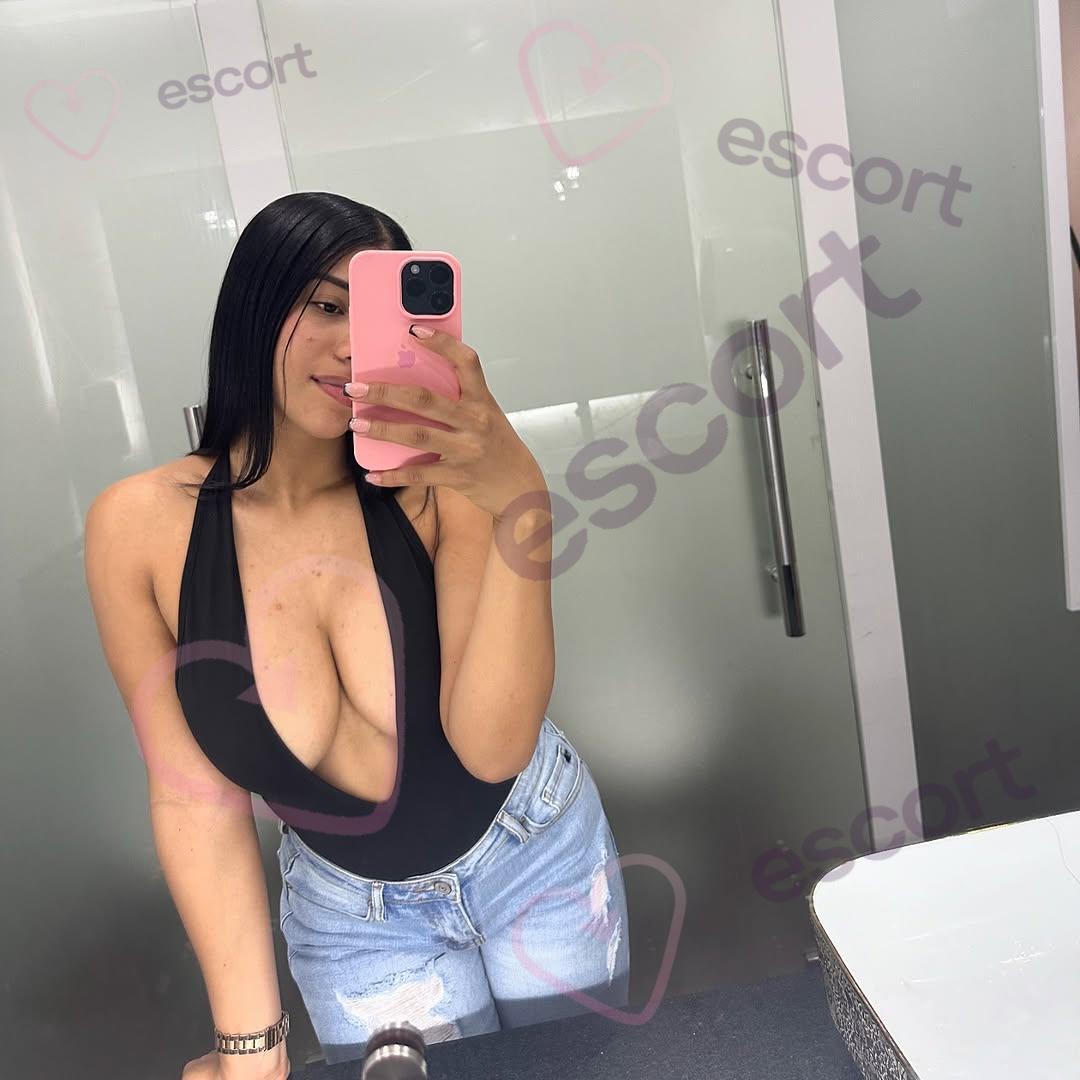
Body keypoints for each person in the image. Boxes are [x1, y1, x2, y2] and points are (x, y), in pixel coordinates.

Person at [84, 191, 630, 1078]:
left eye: (374, 318)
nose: (350, 345)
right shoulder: (140, 528)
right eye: (326, 307)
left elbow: (492, 746)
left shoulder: (438, 481)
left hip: (532, 850)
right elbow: (194, 801)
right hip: (353, 920)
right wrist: (251, 1048)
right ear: (254, 310)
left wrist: (520, 501)